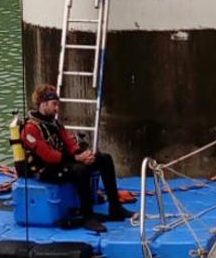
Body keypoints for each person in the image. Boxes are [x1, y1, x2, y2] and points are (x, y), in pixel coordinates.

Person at [22, 84, 134, 232]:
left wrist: (84, 154)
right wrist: (77, 158)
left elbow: (69, 142)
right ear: (43, 104)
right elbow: (48, 156)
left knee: (104, 159)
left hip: (62, 162)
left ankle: (115, 207)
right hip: (44, 169)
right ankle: (88, 216)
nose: (57, 109)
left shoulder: (54, 122)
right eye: (54, 104)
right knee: (80, 170)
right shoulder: (30, 128)